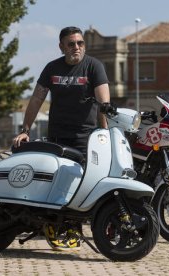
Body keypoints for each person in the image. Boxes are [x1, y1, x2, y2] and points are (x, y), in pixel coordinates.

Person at [13, 26, 110, 251]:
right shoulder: (52, 68)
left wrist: (104, 132)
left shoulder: (94, 66)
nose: (76, 47)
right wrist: (25, 129)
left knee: (81, 183)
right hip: (57, 136)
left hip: (84, 137)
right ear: (61, 46)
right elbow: (36, 99)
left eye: (80, 43)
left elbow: (103, 104)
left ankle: (72, 227)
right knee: (54, 182)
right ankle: (52, 225)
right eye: (71, 43)